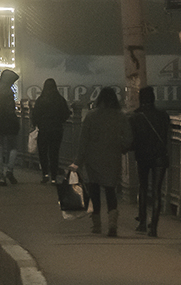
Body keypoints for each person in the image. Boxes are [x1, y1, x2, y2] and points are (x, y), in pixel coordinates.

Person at [71, 87, 133, 236]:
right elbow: (129, 138)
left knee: (94, 192)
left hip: (92, 160)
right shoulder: (120, 116)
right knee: (111, 191)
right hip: (113, 158)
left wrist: (78, 161)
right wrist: (121, 147)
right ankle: (112, 224)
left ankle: (97, 225)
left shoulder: (91, 117)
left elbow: (83, 141)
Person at [129, 86, 170, 237]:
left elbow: (133, 140)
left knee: (143, 187)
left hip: (143, 156)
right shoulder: (163, 115)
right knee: (157, 190)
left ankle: (142, 223)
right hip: (159, 156)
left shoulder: (136, 116)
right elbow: (166, 136)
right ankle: (154, 227)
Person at [29, 78, 72, 184]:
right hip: (57, 129)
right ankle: (54, 176)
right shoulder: (60, 99)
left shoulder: (41, 99)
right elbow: (66, 113)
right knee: (54, 153)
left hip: (43, 129)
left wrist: (36, 124)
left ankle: (45, 174)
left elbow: (35, 115)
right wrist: (60, 121)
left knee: (43, 152)